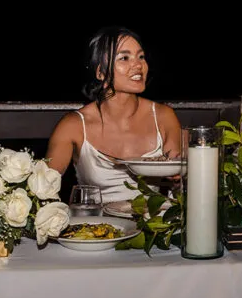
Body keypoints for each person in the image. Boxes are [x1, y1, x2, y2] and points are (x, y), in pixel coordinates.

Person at [46, 26, 184, 203]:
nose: (138, 65)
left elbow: (178, 181)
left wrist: (180, 177)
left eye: (141, 57)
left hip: (152, 227)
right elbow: (43, 190)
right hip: (97, 226)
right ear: (101, 73)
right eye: (124, 58)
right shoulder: (74, 125)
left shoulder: (164, 116)